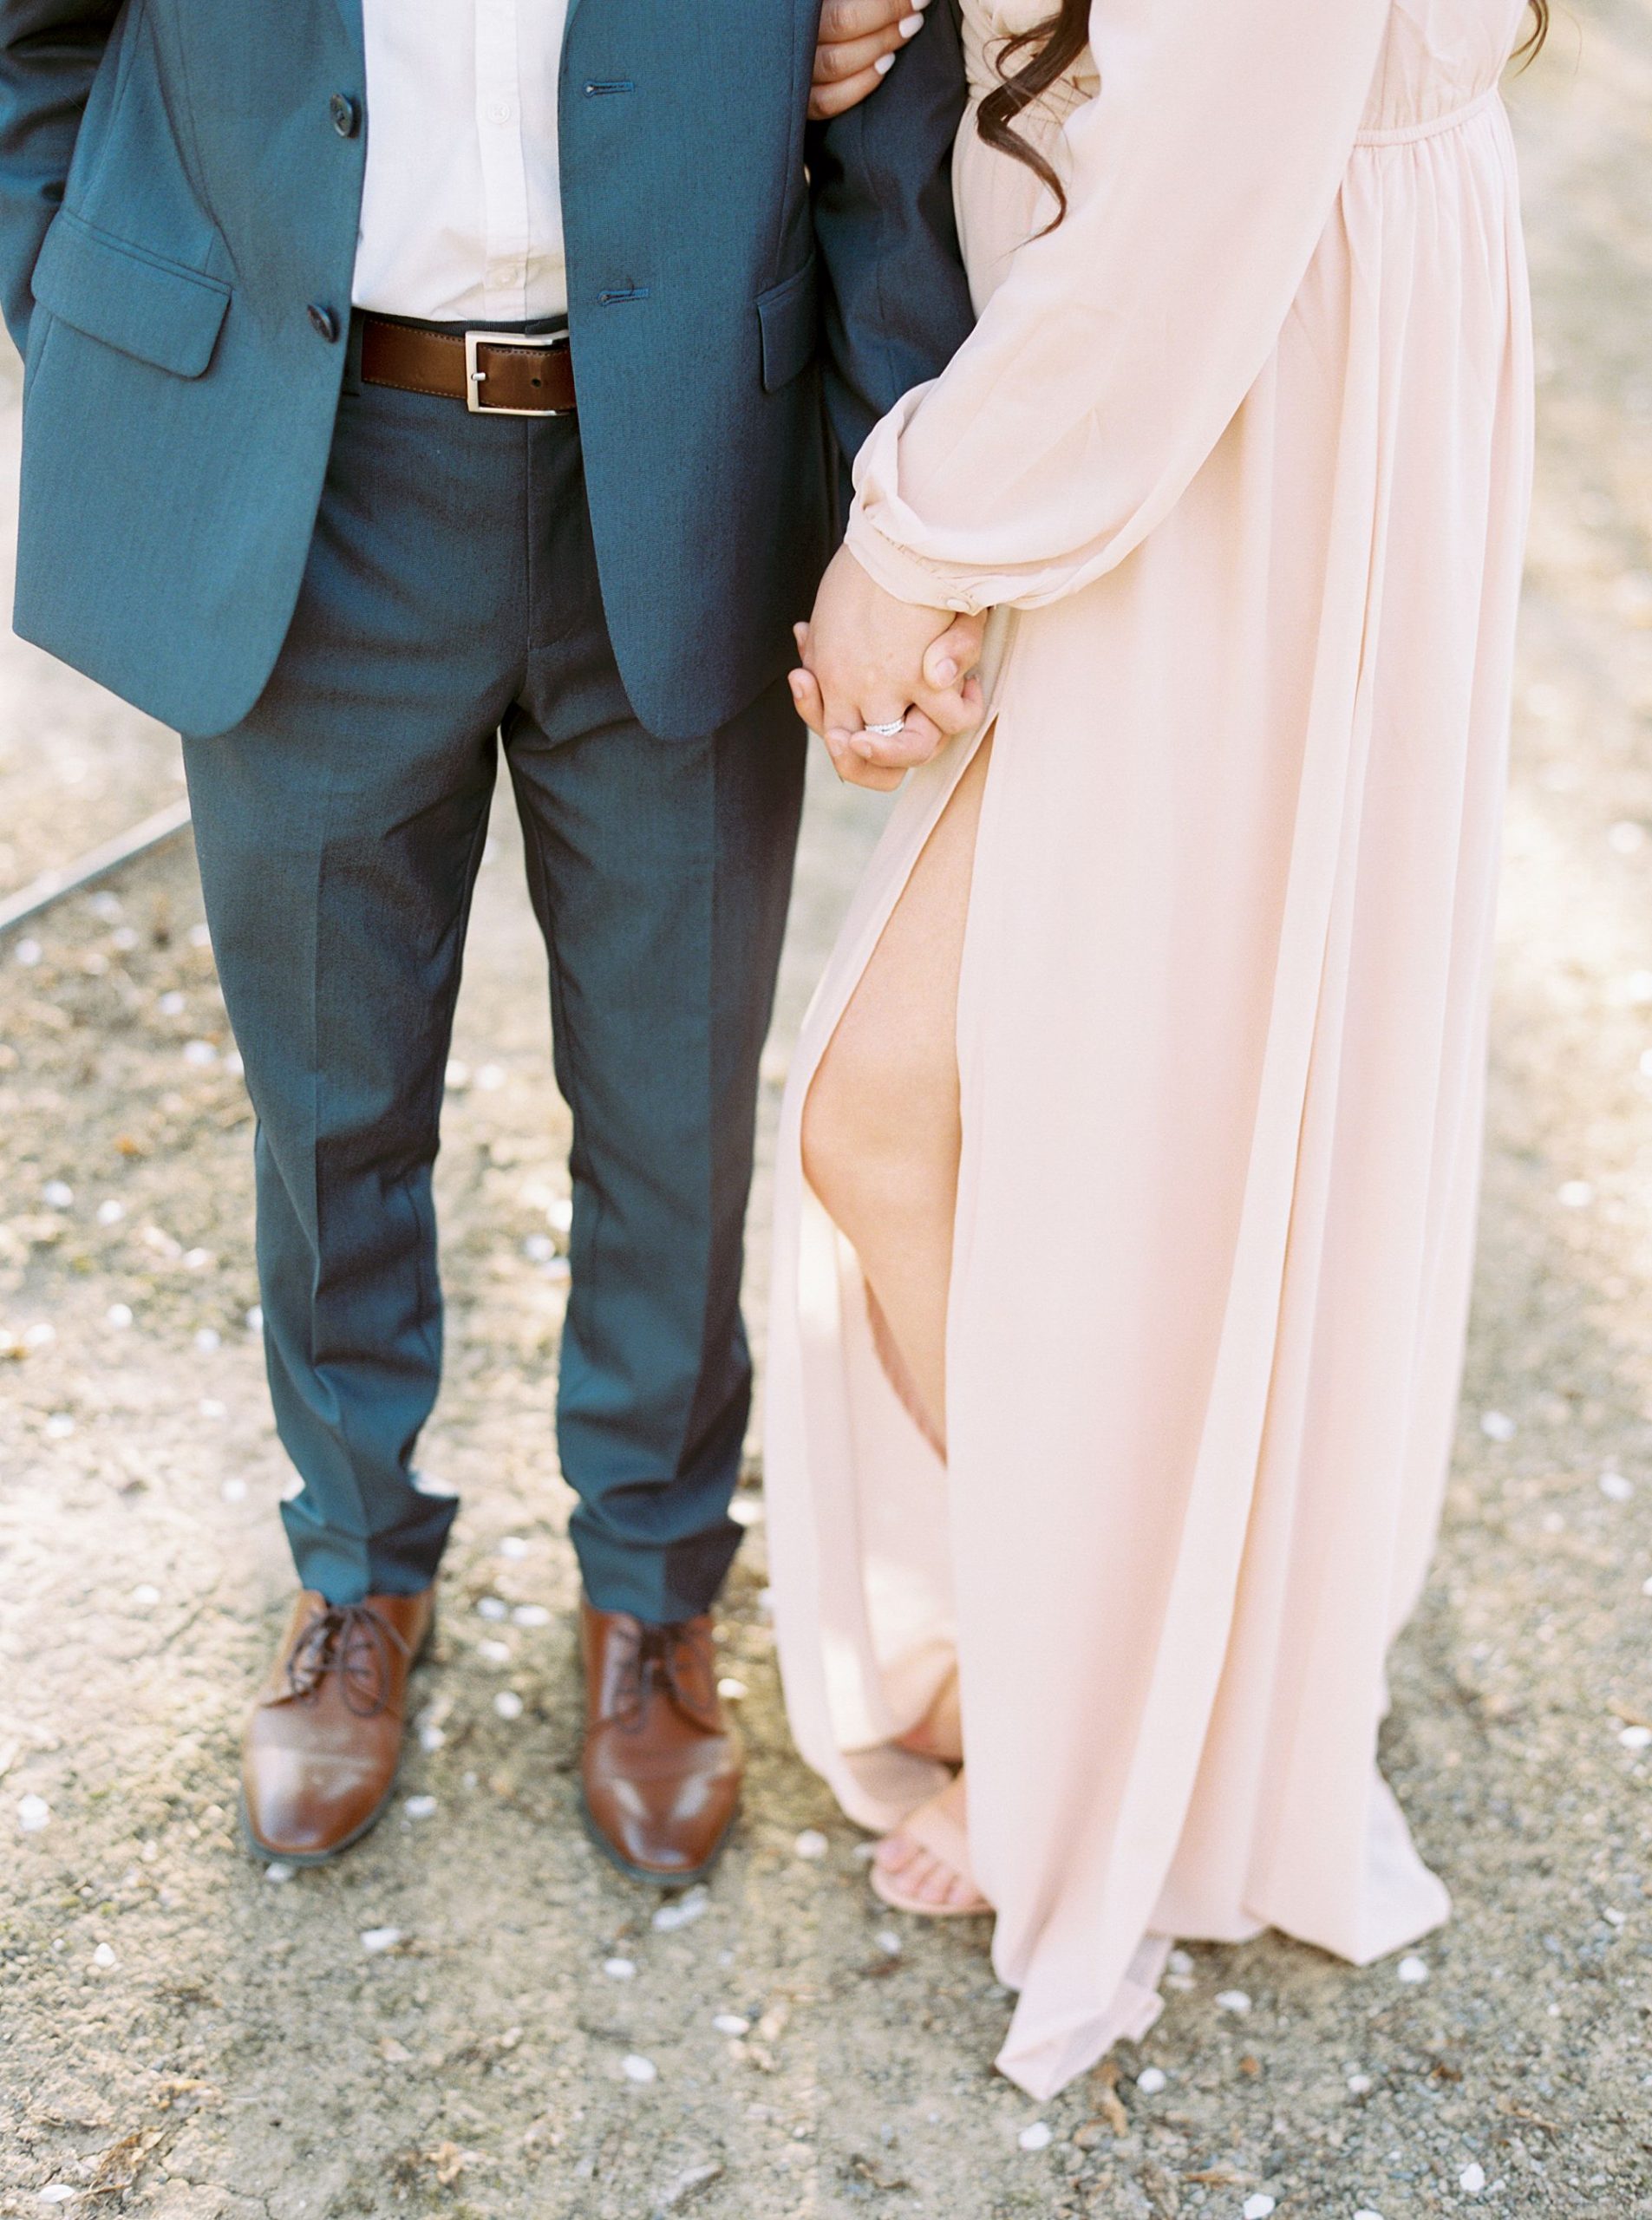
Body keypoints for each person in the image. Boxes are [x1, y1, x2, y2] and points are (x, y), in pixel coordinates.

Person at [0, 0, 976, 1883]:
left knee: (673, 1091)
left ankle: (652, 1588)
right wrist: (100, 336)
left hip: (689, 461)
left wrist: (892, 503)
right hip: (306, 466)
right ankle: (356, 1568)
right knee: (328, 1094)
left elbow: (886, 113)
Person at [772, 0, 1540, 2098]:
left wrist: (907, 542)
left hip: (1253, 410)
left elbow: (1193, 199)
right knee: (1050, 1112)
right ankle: (1091, 1660)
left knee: (931, 1114)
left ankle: (1103, 1709)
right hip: (1189, 383)